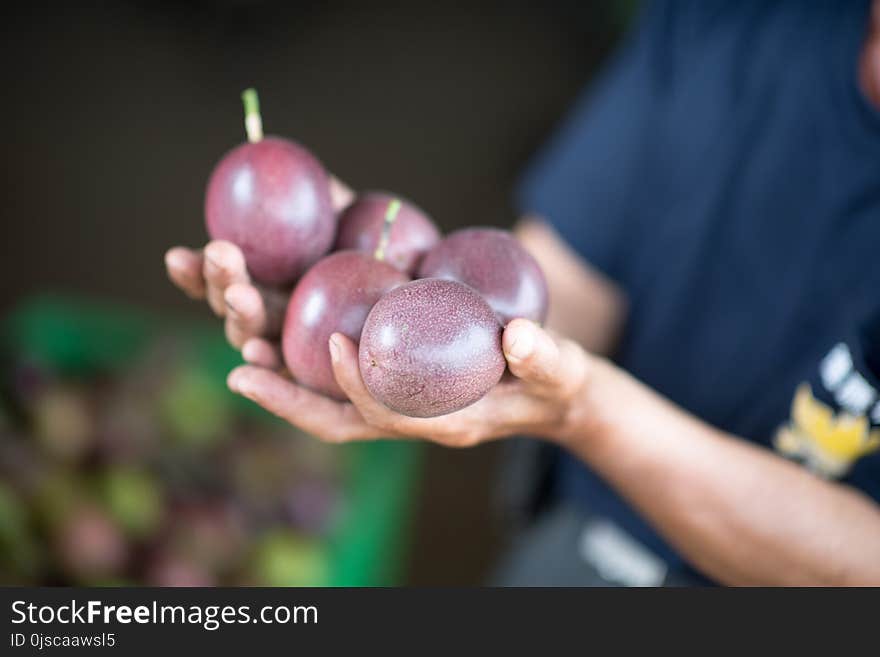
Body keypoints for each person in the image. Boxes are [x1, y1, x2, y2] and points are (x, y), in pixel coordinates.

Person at [166, 0, 880, 585]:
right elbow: (544, 292)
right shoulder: (739, 20)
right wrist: (401, 280)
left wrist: (587, 411)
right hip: (583, 522)